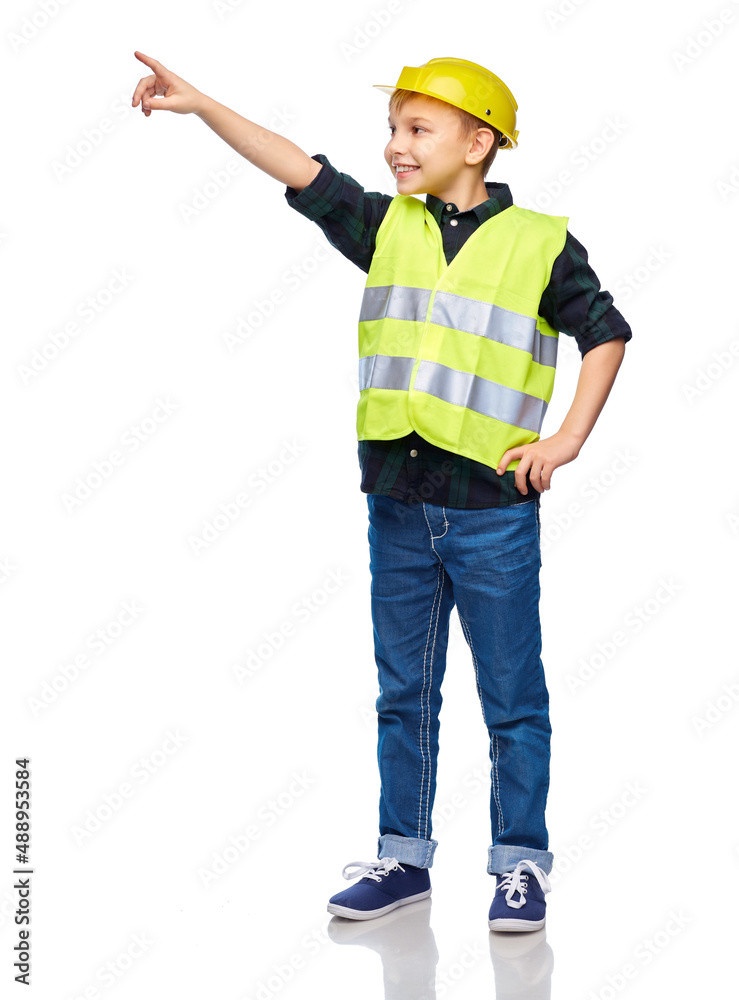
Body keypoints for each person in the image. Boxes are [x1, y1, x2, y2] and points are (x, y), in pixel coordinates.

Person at [131, 53, 631, 932]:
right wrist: (204, 104)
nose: (395, 147)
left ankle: (520, 865)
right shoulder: (383, 225)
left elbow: (605, 333)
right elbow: (297, 165)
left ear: (479, 143)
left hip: (491, 511)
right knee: (405, 692)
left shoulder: (541, 241)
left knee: (512, 695)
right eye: (392, 130)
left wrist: (566, 439)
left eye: (416, 129)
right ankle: (403, 859)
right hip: (395, 503)